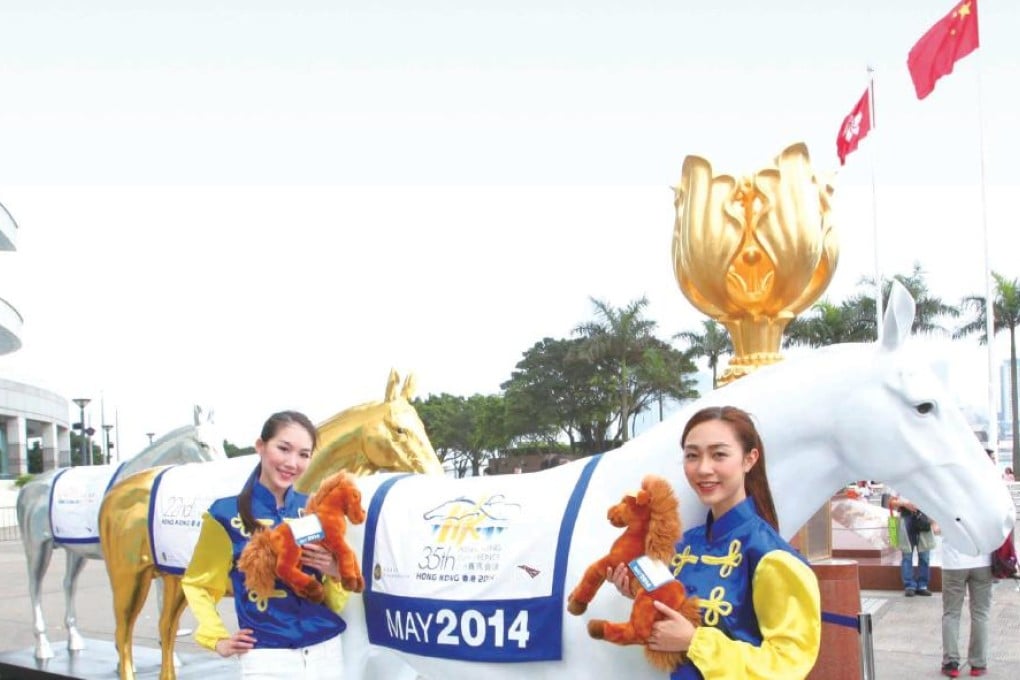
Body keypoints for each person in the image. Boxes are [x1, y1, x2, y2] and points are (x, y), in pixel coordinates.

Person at [609, 405, 821, 679]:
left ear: (749, 459)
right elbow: (672, 607)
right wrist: (637, 590)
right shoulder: (685, 544)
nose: (703, 469)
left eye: (719, 454)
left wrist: (695, 642)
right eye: (692, 456)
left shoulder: (771, 557)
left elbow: (788, 663)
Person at [182, 411, 349, 679]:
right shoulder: (225, 514)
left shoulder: (315, 510)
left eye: (304, 454)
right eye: (284, 449)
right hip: (267, 658)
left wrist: (334, 571)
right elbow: (198, 582)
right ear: (260, 446)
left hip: (326, 651)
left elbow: (334, 596)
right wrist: (217, 639)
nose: (292, 462)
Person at [939, 534, 993, 677]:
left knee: (951, 614)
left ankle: (951, 663)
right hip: (983, 560)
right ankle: (978, 663)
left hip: (954, 562)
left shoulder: (949, 508)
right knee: (981, 614)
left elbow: (936, 527)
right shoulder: (985, 509)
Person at [888, 491, 936, 596]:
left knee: (925, 555)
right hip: (906, 518)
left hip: (922, 517)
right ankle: (909, 585)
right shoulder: (898, 481)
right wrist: (905, 504)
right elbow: (891, 502)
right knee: (907, 555)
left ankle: (922, 585)